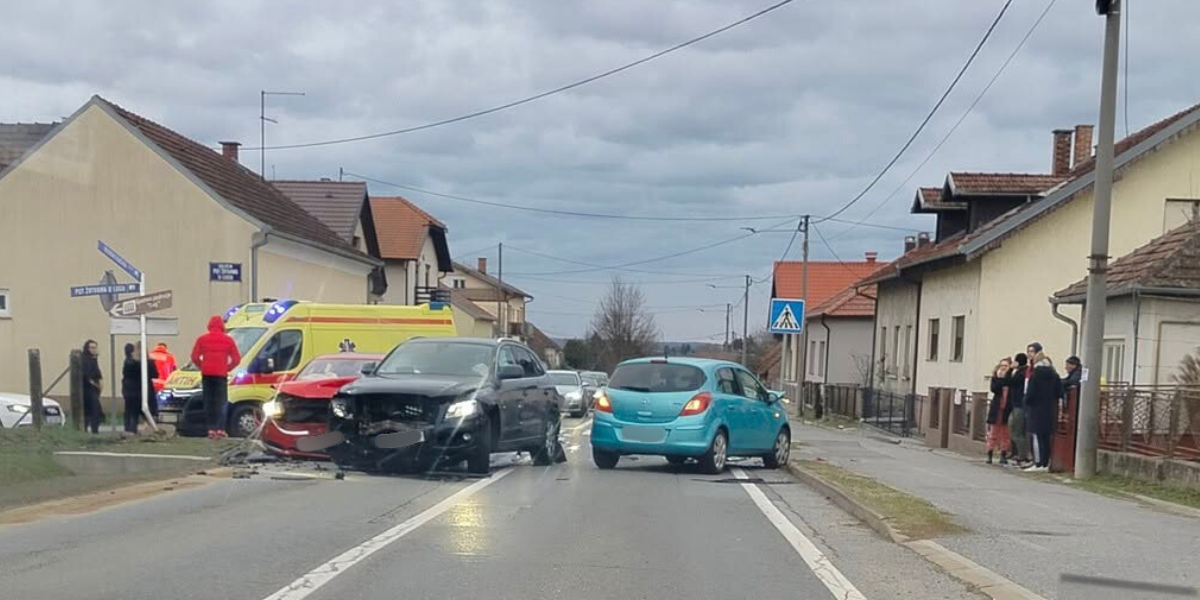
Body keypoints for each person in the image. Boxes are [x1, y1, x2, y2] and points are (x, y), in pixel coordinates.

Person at [191, 316, 241, 439]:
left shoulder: (202, 339)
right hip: (221, 375)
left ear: (209, 326)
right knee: (221, 402)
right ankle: (220, 429)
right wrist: (227, 368)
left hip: (207, 375)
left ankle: (210, 429)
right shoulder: (228, 340)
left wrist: (202, 366)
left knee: (209, 402)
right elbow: (237, 359)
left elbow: (194, 357)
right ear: (222, 326)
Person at [1024, 352, 1063, 472]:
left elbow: (1030, 394)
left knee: (1037, 436)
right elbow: (1059, 392)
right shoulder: (1055, 375)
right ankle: (1046, 462)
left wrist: (1027, 402)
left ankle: (1038, 463)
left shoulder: (1035, 375)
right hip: (1049, 409)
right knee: (1046, 437)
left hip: (1036, 409)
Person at [121, 343, 160, 433]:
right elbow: (155, 375)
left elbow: (126, 375)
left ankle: (130, 432)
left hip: (132, 392)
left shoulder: (129, 362)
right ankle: (152, 431)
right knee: (149, 414)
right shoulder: (149, 362)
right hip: (146, 391)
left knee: (132, 415)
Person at [986, 357, 1013, 465]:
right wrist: (1001, 379)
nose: (1003, 368)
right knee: (993, 432)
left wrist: (1007, 377)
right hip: (997, 408)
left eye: (1006, 366)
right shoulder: (995, 378)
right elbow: (994, 389)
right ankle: (989, 454)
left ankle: (1003, 454)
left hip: (1007, 408)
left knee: (1005, 433)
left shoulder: (1011, 378)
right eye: (1002, 366)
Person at [1006, 353, 1030, 466]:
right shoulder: (1021, 372)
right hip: (1015, 404)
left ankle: (1022, 456)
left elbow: (1008, 382)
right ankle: (1018, 454)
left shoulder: (1021, 373)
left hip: (1020, 405)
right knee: (1012, 428)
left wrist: (1009, 370)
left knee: (1017, 431)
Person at [81, 340, 104, 434]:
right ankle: (92, 430)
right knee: (94, 410)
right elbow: (86, 375)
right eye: (92, 347)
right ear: (87, 348)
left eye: (95, 347)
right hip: (87, 389)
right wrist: (94, 384)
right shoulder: (85, 359)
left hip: (93, 389)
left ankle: (92, 429)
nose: (94, 350)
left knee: (93, 410)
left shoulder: (93, 359)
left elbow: (97, 374)